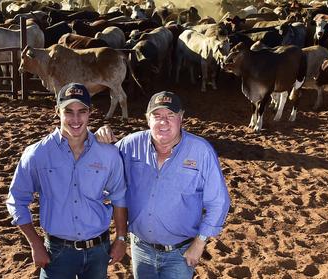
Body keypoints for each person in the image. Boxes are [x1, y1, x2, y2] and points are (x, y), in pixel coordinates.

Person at [95, 91, 231, 278]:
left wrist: (199, 244)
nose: (163, 122)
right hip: (141, 248)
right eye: (157, 116)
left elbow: (219, 202)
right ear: (147, 119)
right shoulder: (130, 145)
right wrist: (98, 141)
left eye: (170, 115)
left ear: (181, 118)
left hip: (181, 252)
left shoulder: (201, 151)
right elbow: (101, 171)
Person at [6, 83, 128, 279]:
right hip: (57, 252)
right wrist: (35, 244)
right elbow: (16, 200)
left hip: (99, 250)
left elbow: (120, 196)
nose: (76, 119)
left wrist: (121, 238)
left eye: (82, 111)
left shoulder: (108, 153)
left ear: (90, 113)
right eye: (68, 111)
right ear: (57, 112)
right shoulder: (37, 154)